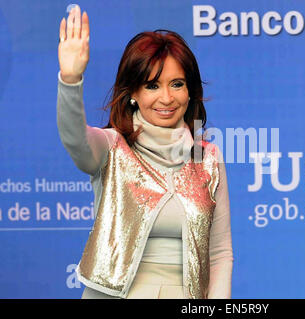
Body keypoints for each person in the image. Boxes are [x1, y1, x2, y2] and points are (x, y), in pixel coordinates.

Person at [56, 5, 233, 299]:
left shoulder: (209, 158)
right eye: (152, 85)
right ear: (134, 94)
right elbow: (75, 140)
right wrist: (70, 80)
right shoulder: (111, 147)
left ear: (190, 93)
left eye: (177, 84)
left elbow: (220, 253)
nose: (167, 98)